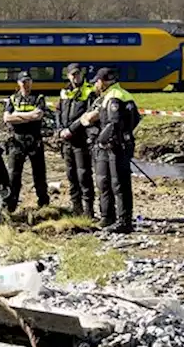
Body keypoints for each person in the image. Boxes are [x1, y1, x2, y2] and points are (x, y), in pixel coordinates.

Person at [71, 67, 140, 233]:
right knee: (103, 181)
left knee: (119, 184)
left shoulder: (115, 97)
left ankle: (124, 221)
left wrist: (102, 139)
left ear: (104, 81)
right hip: (108, 146)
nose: (96, 84)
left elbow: (114, 124)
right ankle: (107, 217)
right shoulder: (109, 96)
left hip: (116, 147)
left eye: (98, 81)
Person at [2, 71, 50, 211]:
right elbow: (7, 118)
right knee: (14, 175)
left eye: (28, 81)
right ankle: (11, 206)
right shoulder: (12, 99)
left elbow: (39, 115)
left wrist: (17, 115)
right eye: (23, 82)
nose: (26, 85)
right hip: (17, 141)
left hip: (35, 140)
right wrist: (29, 116)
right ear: (18, 83)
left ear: (31, 82)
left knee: (39, 174)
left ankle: (43, 204)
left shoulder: (38, 97)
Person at [56, 63, 97, 218]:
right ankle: (76, 208)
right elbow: (58, 112)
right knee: (71, 175)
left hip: (81, 139)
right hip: (66, 140)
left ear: (82, 74)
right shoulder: (64, 92)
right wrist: (60, 130)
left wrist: (71, 130)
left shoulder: (89, 91)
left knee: (84, 175)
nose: (75, 76)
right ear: (68, 76)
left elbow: (88, 115)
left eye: (77, 74)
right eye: (72, 74)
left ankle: (89, 211)